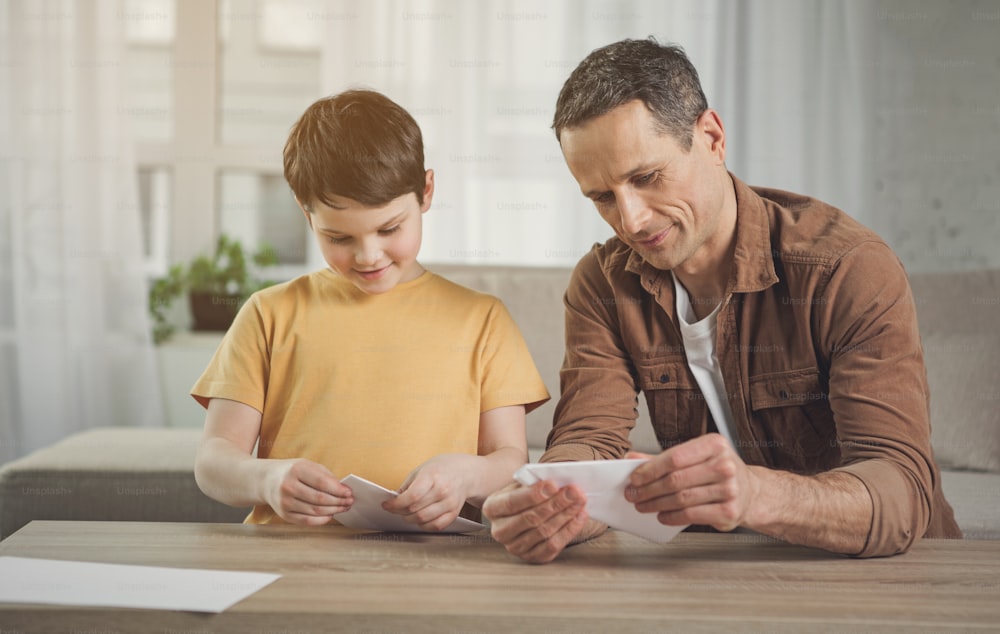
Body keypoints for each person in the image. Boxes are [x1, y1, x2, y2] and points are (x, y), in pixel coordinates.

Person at [482, 38, 961, 562]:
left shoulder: (846, 270)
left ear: (711, 137)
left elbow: (900, 491)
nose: (631, 220)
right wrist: (553, 500)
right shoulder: (602, 283)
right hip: (715, 573)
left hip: (889, 574)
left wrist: (756, 494)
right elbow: (588, 439)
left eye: (646, 177)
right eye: (602, 196)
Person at [192, 89, 549, 530]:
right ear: (308, 216)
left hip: (432, 565)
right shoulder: (268, 314)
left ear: (427, 192)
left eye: (389, 228)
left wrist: (467, 476)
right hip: (287, 559)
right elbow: (213, 461)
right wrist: (266, 479)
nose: (368, 256)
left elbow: (512, 460)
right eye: (339, 238)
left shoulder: (483, 321)